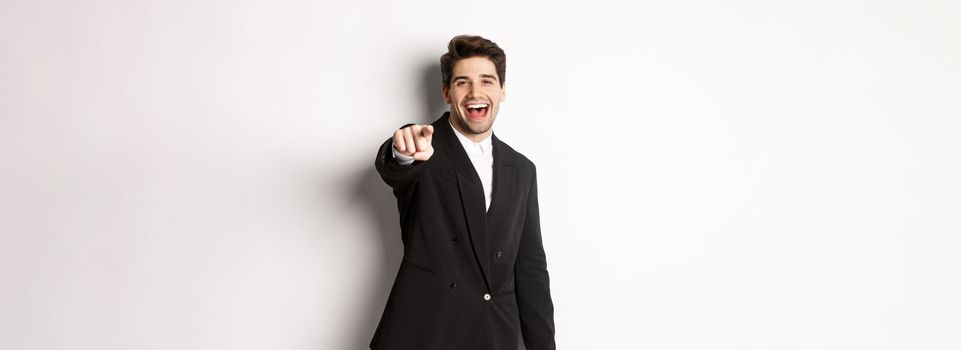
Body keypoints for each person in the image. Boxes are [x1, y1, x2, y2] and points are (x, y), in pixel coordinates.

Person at [370, 35, 556, 350]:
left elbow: (531, 268)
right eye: (462, 83)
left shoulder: (522, 169)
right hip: (427, 333)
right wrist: (401, 151)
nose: (475, 93)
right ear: (446, 92)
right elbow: (396, 168)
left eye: (487, 81)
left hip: (496, 336)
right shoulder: (424, 147)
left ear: (502, 91)